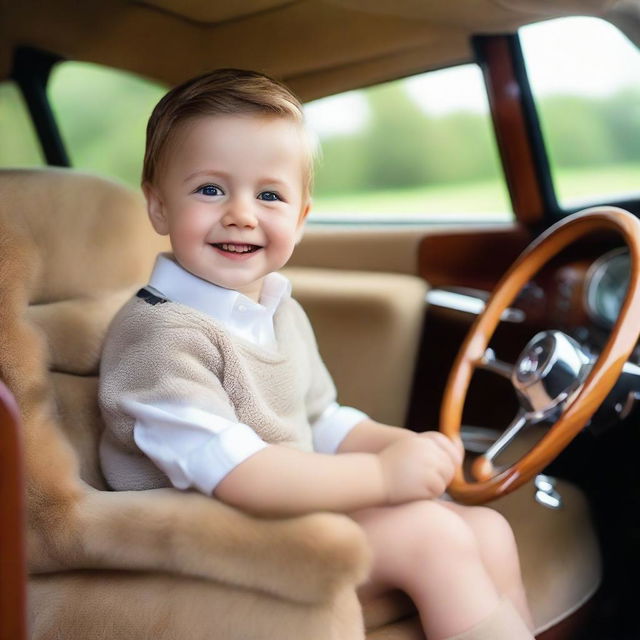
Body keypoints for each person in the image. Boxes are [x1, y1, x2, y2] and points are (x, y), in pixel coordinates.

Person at [99, 68, 534, 640]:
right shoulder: (159, 338)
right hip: (197, 561)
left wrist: (392, 444)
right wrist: (380, 477)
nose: (242, 214)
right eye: (210, 189)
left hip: (271, 530)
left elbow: (319, 420)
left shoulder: (279, 312)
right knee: (433, 536)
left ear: (301, 219)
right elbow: (242, 475)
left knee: (487, 530)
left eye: (270, 195)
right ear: (157, 207)